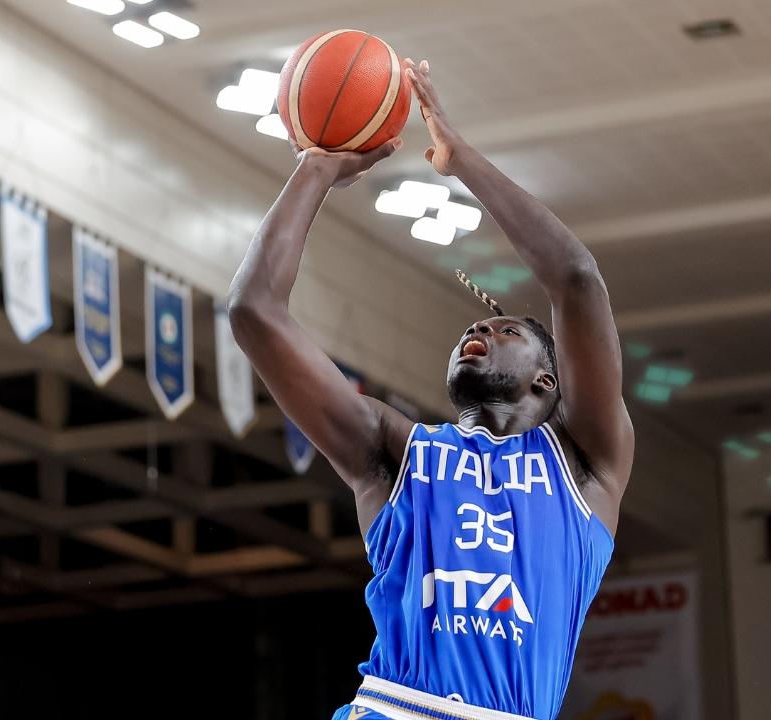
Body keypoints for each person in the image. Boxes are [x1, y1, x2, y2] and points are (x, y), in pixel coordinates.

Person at [227, 58, 634, 720]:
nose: (478, 329)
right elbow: (254, 312)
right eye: (475, 327)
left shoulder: (585, 464)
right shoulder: (394, 451)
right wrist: (317, 167)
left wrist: (460, 158)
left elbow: (576, 278)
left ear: (547, 379)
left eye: (503, 329)